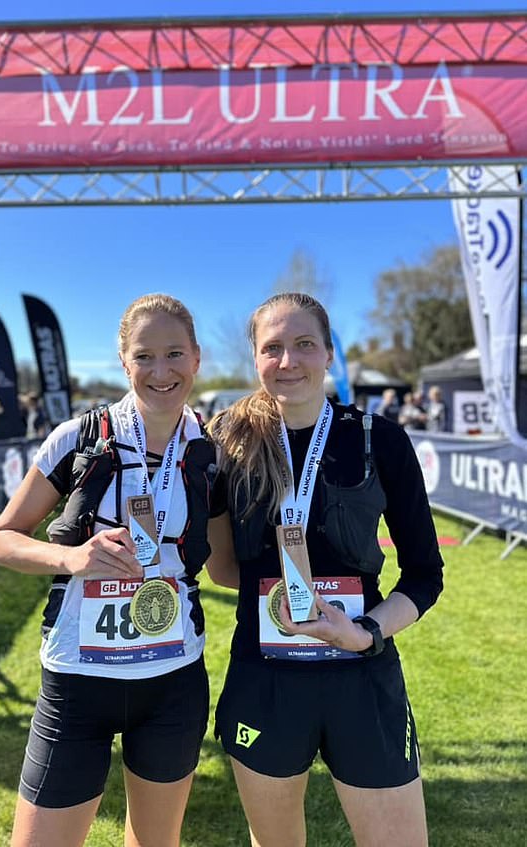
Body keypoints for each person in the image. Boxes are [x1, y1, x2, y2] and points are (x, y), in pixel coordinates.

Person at [0, 293, 235, 847]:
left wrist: (306, 576)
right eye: (145, 356)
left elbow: (225, 570)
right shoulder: (78, 439)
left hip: (173, 678)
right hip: (78, 679)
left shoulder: (211, 454)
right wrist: (70, 557)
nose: (161, 371)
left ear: (197, 357)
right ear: (125, 362)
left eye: (175, 354)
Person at [208, 293, 444, 847]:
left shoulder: (378, 438)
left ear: (329, 353)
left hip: (360, 675)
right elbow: (221, 568)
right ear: (256, 358)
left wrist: (362, 632)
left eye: (304, 345)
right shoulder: (230, 443)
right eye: (273, 348)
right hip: (264, 679)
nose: (288, 361)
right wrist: (291, 603)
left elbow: (425, 575)